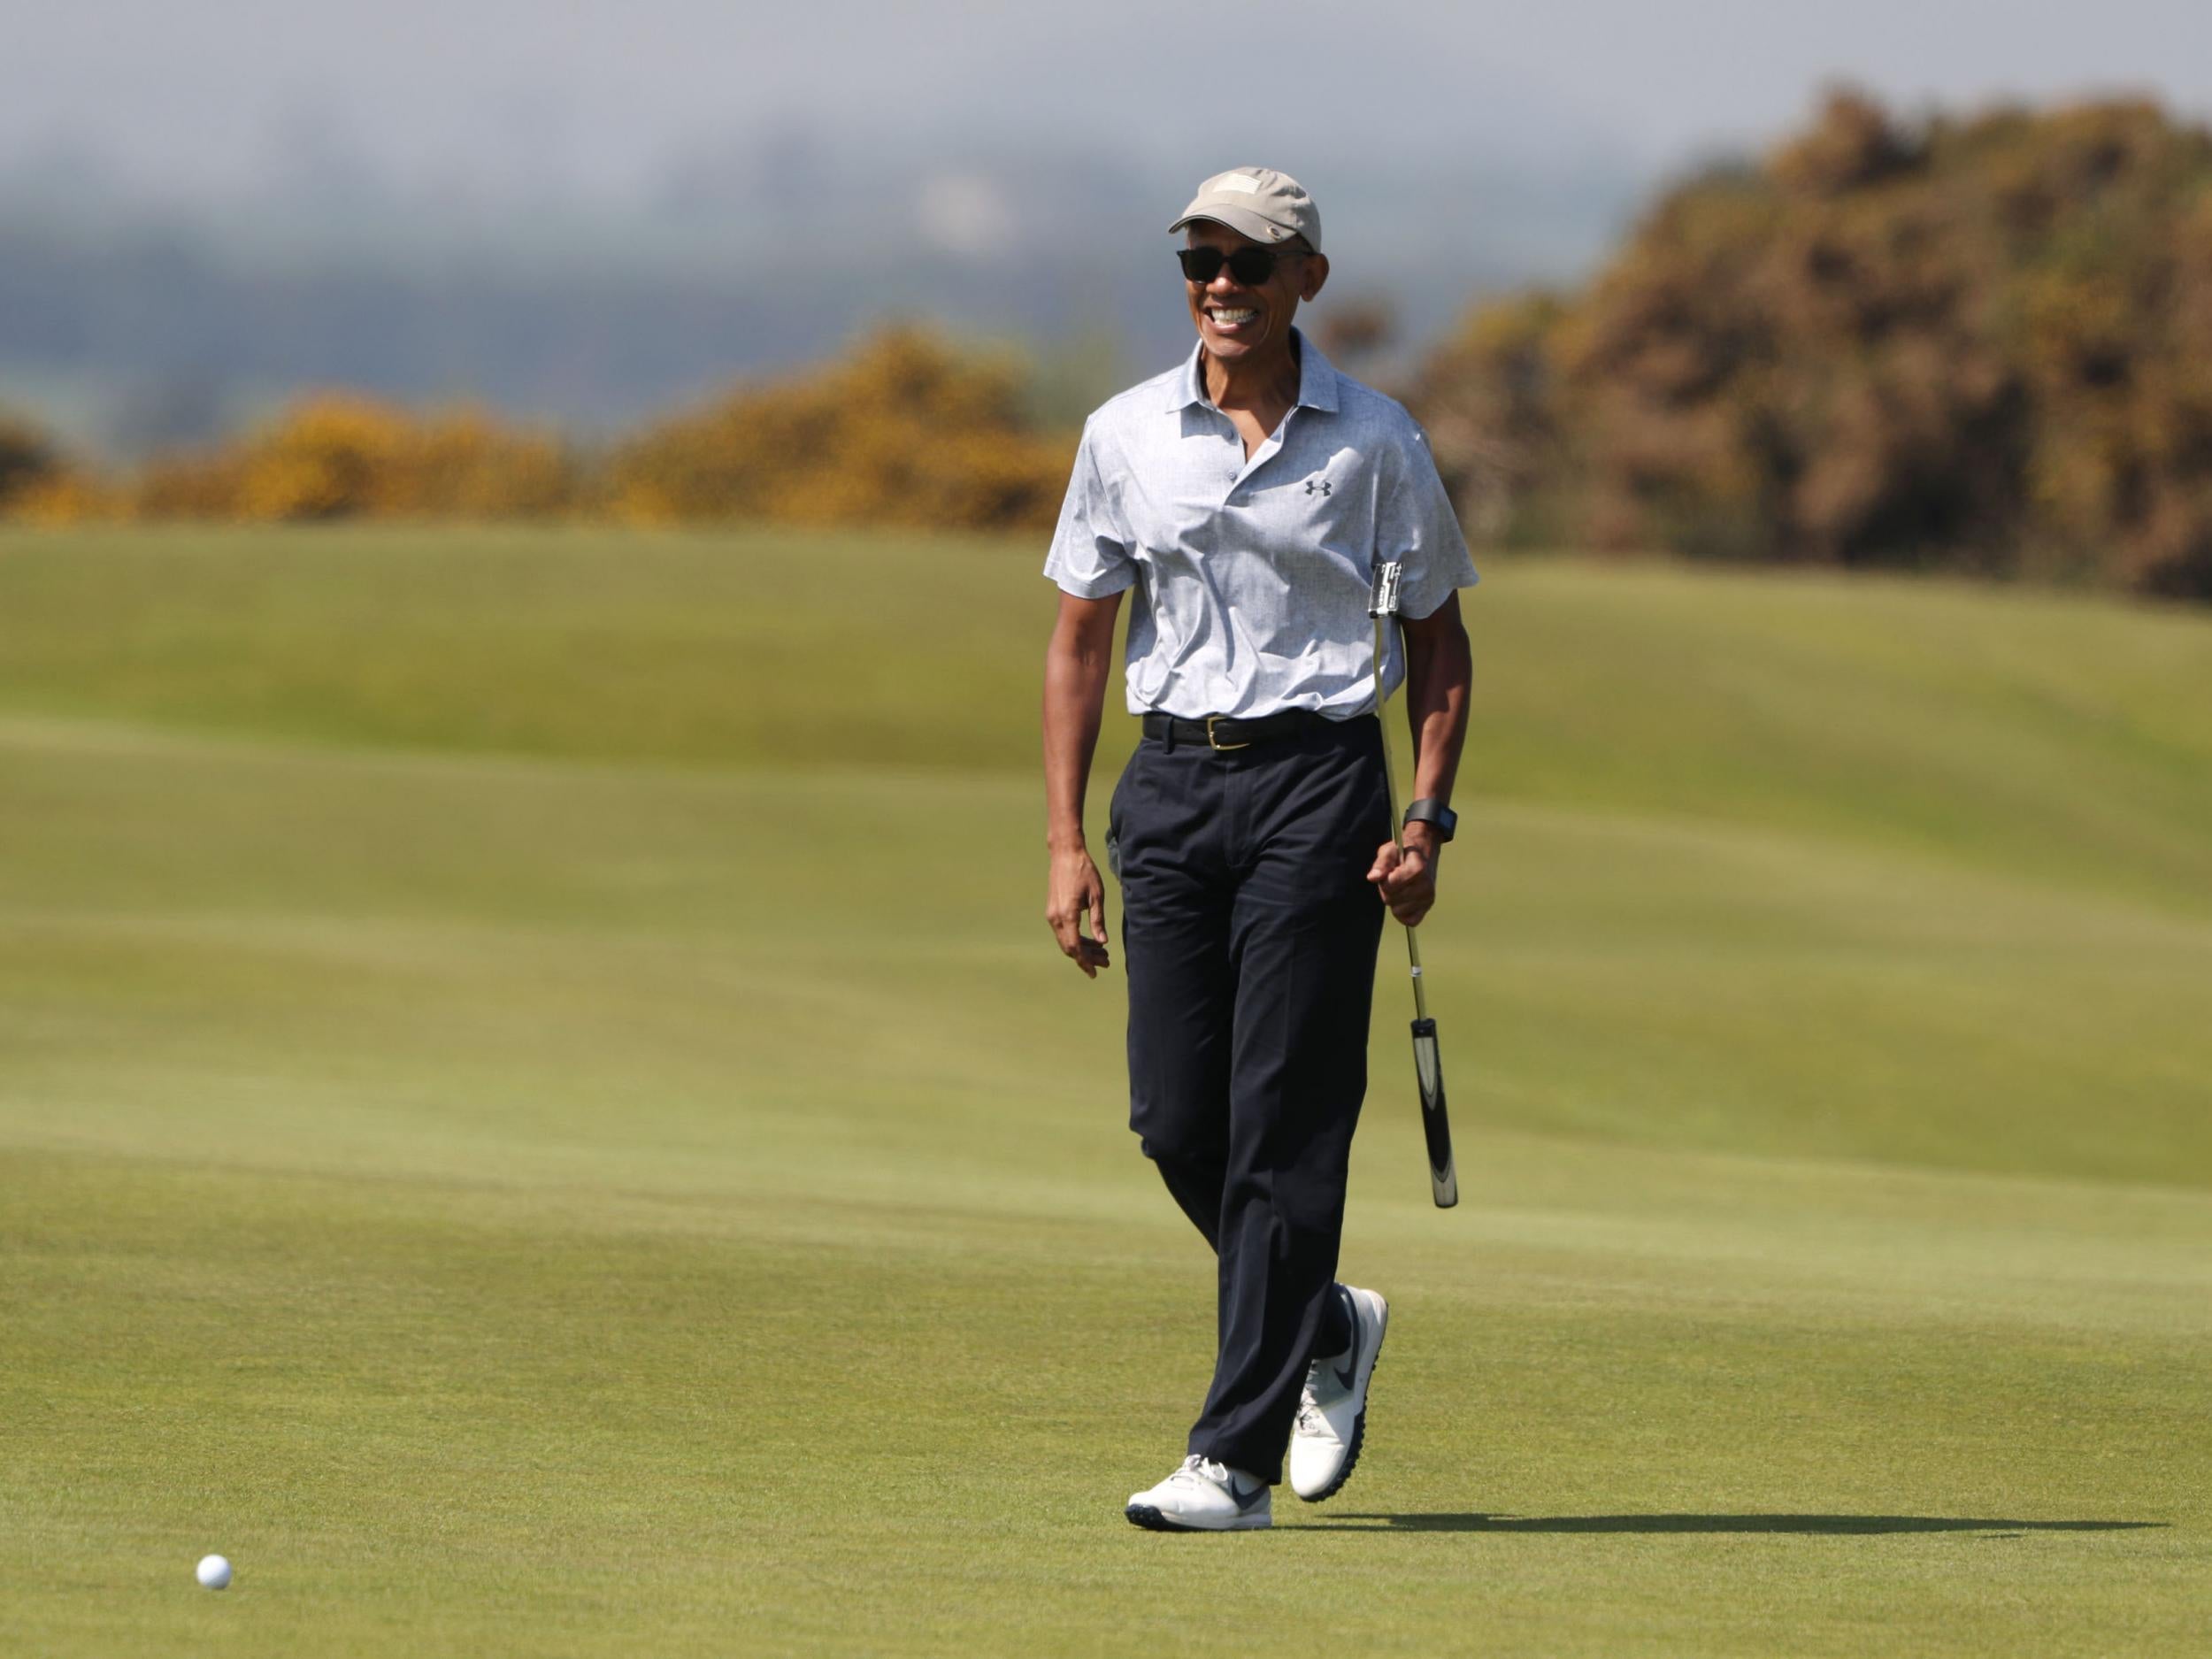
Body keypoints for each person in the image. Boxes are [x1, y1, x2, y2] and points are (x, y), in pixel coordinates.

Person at [1040, 166, 1476, 1532]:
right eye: (1199, 262)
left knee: (1284, 1126)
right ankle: (1324, 1317)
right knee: (1176, 1117)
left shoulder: (1376, 442)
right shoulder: (1124, 434)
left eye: (1248, 262)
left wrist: (1424, 819)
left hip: (1318, 791)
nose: (1219, 285)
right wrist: (1066, 839)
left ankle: (1230, 1461)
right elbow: (1077, 642)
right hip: (1169, 787)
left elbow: (1441, 646)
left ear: (1307, 283)